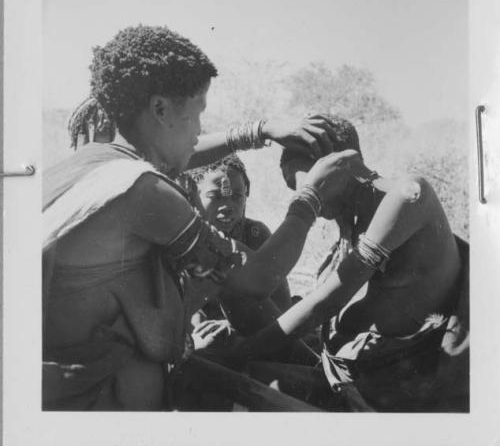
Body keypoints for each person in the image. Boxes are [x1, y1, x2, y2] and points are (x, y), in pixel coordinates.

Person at [42, 24, 346, 411]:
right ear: (160, 109)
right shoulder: (142, 190)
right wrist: (311, 198)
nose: (200, 129)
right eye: (199, 112)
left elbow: (172, 152)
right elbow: (255, 280)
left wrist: (260, 131)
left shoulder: (87, 165)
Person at [232, 114, 469, 412]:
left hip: (400, 394)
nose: (306, 193)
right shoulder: (349, 225)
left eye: (309, 182)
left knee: (232, 377)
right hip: (354, 378)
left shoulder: (408, 194)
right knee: (221, 375)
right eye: (297, 186)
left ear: (340, 164)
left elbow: (325, 303)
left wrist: (238, 352)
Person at [188, 154, 292, 313]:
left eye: (237, 196)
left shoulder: (255, 235)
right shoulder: (183, 239)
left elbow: (282, 306)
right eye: (215, 197)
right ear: (193, 196)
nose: (227, 206)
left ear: (247, 193)